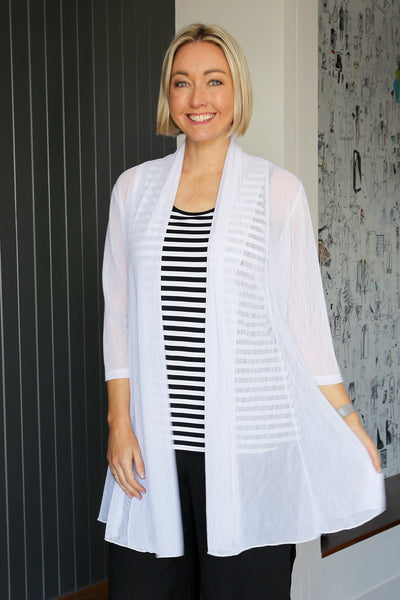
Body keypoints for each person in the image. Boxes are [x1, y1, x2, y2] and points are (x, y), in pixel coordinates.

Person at [99, 23, 385, 600]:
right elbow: (120, 316)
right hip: (154, 446)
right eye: (182, 82)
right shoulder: (133, 190)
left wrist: (348, 420)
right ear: (168, 94)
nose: (197, 98)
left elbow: (304, 325)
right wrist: (118, 422)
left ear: (237, 91)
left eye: (214, 81)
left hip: (250, 447)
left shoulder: (278, 192)